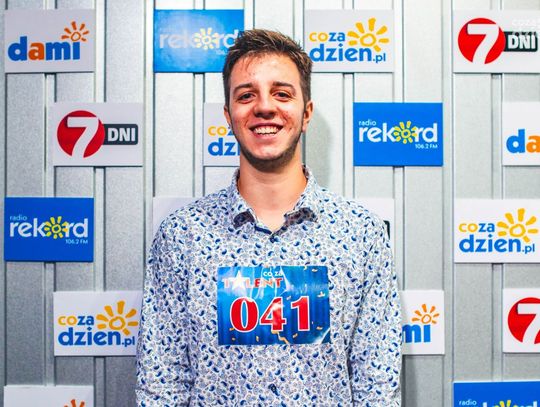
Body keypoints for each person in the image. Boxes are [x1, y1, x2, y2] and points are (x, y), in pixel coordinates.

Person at [136, 29, 401, 406]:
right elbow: (161, 384)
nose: (264, 107)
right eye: (246, 95)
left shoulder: (361, 234)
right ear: (228, 117)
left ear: (306, 114)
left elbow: (377, 386)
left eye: (282, 94)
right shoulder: (183, 236)